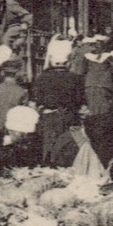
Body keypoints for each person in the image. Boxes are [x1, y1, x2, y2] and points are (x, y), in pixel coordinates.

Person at [31, 38, 85, 167]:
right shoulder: (75, 78)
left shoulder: (42, 78)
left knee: (48, 147)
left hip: (49, 117)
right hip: (69, 116)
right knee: (66, 147)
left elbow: (36, 100)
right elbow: (80, 100)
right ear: (67, 61)